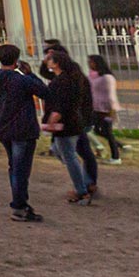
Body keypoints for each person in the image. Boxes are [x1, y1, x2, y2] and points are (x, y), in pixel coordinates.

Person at [0, 43, 48, 222]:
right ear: (16, 60)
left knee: (14, 166)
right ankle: (19, 206)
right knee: (21, 169)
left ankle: (20, 203)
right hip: (23, 129)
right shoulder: (21, 80)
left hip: (2, 128)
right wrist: (30, 73)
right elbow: (44, 92)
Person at [40, 50, 97, 204]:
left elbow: (62, 103)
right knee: (63, 152)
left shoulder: (62, 81)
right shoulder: (69, 78)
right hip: (72, 122)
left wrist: (54, 117)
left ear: (57, 63)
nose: (47, 62)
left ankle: (81, 190)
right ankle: (82, 183)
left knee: (68, 155)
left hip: (66, 123)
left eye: (50, 59)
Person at [87, 53, 124, 163]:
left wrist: (112, 110)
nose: (89, 64)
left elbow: (111, 95)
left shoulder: (107, 77)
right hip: (96, 108)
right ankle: (119, 147)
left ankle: (116, 156)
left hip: (106, 109)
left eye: (91, 62)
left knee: (108, 132)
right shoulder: (94, 76)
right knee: (96, 130)